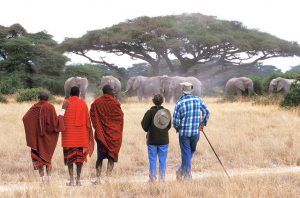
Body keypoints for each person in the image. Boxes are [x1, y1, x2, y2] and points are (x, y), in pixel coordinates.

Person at [22, 91, 67, 183]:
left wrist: (34, 131)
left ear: (39, 98)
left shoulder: (35, 107)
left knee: (39, 159)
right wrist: (63, 110)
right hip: (48, 140)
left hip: (37, 139)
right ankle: (49, 179)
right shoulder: (50, 107)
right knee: (47, 159)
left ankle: (42, 180)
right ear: (48, 98)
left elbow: (25, 118)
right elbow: (55, 124)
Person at [173, 82, 210, 180]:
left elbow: (176, 121)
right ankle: (185, 174)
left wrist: (177, 128)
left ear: (183, 90)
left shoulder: (179, 103)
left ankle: (183, 172)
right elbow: (206, 111)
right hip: (195, 132)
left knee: (187, 153)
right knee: (190, 152)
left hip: (184, 133)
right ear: (191, 90)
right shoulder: (198, 100)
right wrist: (202, 124)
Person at [90, 85, 124, 184]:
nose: (114, 92)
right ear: (109, 92)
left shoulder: (96, 103)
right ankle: (108, 178)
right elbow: (120, 117)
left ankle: (98, 179)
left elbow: (92, 116)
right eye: (112, 90)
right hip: (113, 135)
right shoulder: (115, 103)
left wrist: (98, 127)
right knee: (111, 156)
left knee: (100, 157)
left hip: (101, 135)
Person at [62, 86, 94, 186]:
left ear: (70, 93)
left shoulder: (65, 103)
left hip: (68, 136)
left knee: (69, 158)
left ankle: (71, 180)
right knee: (79, 159)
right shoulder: (83, 103)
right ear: (79, 93)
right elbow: (88, 121)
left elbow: (60, 117)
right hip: (81, 136)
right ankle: (78, 180)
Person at [141, 94, 171, 182]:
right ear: (162, 101)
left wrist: (149, 130)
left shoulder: (149, 112)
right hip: (164, 139)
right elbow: (168, 126)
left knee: (152, 160)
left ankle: (152, 179)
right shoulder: (166, 112)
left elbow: (144, 126)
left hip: (152, 140)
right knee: (163, 160)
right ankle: (162, 179)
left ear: (153, 101)